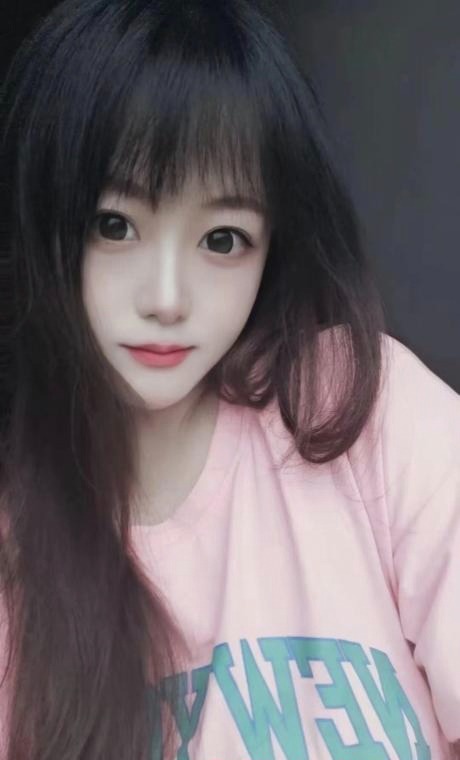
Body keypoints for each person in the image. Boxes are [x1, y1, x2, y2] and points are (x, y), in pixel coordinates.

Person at [0, 0, 459, 758]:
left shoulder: (361, 410)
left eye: (222, 239)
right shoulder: (18, 556)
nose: (167, 298)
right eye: (114, 225)